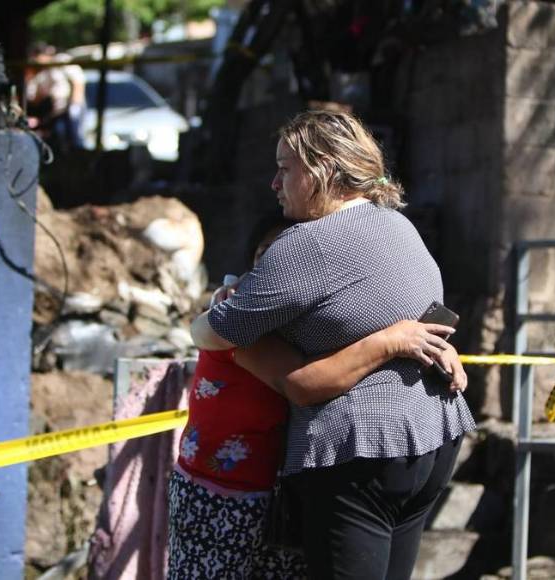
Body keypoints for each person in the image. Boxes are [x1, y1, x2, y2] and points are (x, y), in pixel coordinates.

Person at [191, 109, 476, 579]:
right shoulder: (399, 227)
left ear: (322, 168)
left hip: (358, 453)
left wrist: (218, 308)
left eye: (285, 168)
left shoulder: (307, 244)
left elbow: (216, 332)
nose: (273, 182)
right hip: (433, 439)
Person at [169, 218, 465, 579]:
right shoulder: (240, 317)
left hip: (278, 497)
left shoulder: (306, 326)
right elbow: (305, 383)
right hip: (217, 495)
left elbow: (352, 353)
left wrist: (431, 347)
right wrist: (392, 342)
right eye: (271, 256)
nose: (285, 271)